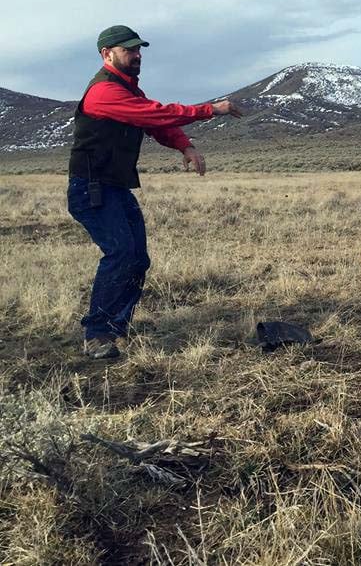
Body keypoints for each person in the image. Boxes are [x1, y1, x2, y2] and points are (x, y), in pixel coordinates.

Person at [67, 25, 243, 359]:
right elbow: (156, 114)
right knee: (120, 254)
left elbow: (155, 124)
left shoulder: (128, 90)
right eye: (129, 50)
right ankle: (98, 334)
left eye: (138, 49)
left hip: (114, 188)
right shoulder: (104, 92)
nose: (137, 55)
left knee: (137, 259)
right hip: (91, 189)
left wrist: (185, 147)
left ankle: (116, 327)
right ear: (107, 54)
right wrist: (210, 109)